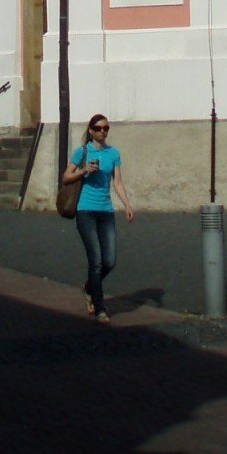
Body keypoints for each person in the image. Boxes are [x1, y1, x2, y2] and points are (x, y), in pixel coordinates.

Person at [61, 113, 135, 323]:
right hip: (85, 210)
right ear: (91, 131)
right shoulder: (83, 151)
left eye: (106, 128)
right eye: (99, 128)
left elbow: (117, 182)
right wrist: (84, 171)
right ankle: (101, 308)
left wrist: (127, 205)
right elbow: (66, 176)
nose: (103, 131)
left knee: (109, 261)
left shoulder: (113, 153)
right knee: (96, 260)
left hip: (106, 211)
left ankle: (88, 287)